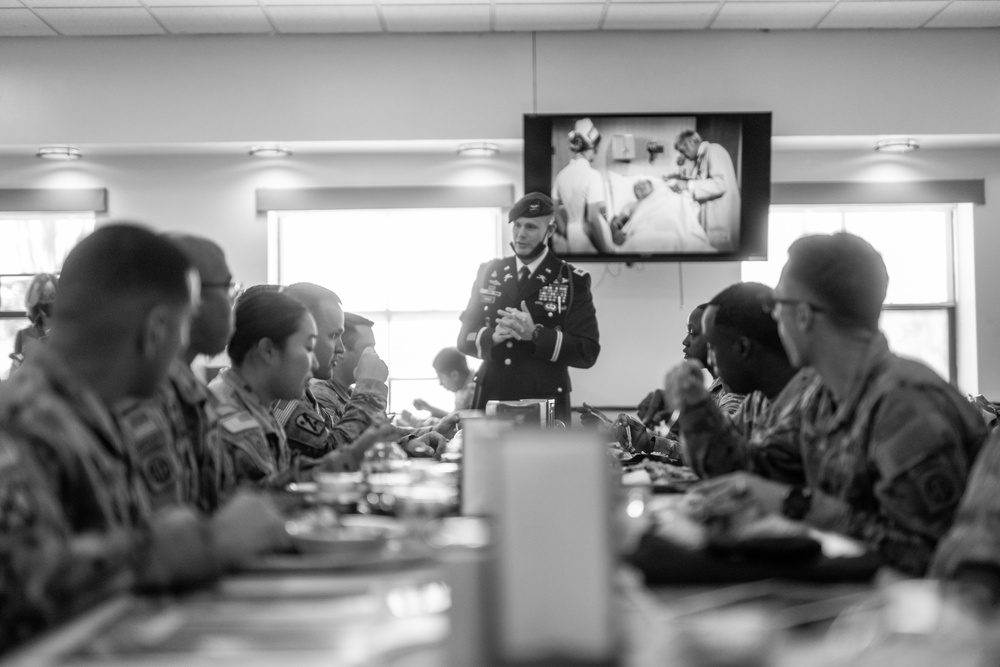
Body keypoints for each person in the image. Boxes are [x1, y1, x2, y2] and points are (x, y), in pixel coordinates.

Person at [0, 225, 287, 651]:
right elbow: (17, 589)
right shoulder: (24, 421)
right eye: (183, 324)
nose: (184, 342)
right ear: (155, 329)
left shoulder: (87, 413)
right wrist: (193, 548)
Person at [690, 232, 986, 576]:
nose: (773, 320)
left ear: (803, 315)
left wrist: (795, 504)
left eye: (776, 305)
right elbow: (758, 473)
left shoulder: (905, 404)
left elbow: (928, 557)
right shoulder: (820, 397)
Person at [663, 282, 832, 485]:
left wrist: (694, 405)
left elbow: (740, 472)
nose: (710, 358)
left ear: (743, 348)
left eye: (713, 347)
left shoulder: (812, 402)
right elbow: (720, 447)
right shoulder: (758, 400)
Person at [118, 234, 237, 514]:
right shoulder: (137, 391)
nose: (234, 303)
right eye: (229, 288)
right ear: (193, 296)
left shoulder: (185, 384)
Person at [457, 192, 601, 424]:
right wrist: (492, 337)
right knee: (487, 461)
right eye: (517, 225)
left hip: (545, 400)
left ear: (550, 230)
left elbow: (587, 352)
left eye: (531, 227)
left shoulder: (572, 280)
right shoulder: (488, 272)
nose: (520, 234)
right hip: (492, 393)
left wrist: (535, 335)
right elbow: (464, 338)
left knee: (545, 462)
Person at [272, 283, 392, 470]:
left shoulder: (298, 393)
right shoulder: (287, 397)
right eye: (333, 335)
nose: (340, 348)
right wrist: (369, 388)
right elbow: (328, 457)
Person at [209, 289, 318, 486]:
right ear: (268, 350)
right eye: (309, 348)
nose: (315, 364)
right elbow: (264, 506)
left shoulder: (258, 407)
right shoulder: (229, 419)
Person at [310, 312, 449, 456]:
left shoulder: (351, 393)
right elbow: (341, 450)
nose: (375, 355)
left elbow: (385, 432)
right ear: (342, 350)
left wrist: (433, 430)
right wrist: (371, 384)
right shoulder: (321, 396)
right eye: (369, 347)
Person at [637, 303, 743, 429]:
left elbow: (717, 441)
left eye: (693, 333)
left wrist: (687, 418)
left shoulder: (735, 391)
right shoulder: (713, 391)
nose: (685, 341)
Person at [665, 130, 741, 251]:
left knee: (719, 259)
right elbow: (703, 182)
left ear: (690, 142)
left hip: (720, 220)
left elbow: (720, 185)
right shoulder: (702, 158)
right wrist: (680, 179)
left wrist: (687, 184)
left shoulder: (714, 150)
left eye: (682, 151)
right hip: (712, 219)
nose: (684, 156)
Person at [551, 117, 614, 254]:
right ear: (593, 147)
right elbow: (592, 219)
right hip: (591, 236)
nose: (596, 152)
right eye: (597, 148)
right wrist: (606, 253)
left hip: (573, 235)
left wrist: (567, 233)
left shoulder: (561, 175)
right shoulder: (593, 176)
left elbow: (554, 210)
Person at [8, 272, 58, 374]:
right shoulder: (23, 335)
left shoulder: (69, 335)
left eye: (53, 297)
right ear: (35, 301)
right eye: (42, 298)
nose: (47, 302)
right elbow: (13, 376)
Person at [413, 347, 475, 419]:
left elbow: (457, 421)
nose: (440, 383)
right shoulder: (462, 388)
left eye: (441, 378)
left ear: (454, 375)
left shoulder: (471, 391)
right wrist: (428, 408)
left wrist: (430, 408)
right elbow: (455, 416)